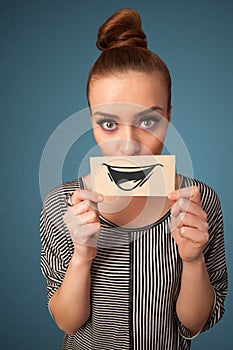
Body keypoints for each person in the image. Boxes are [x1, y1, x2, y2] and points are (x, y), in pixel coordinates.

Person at [40, 8, 228, 350]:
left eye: (147, 122)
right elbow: (66, 322)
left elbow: (196, 321)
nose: (127, 144)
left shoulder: (200, 202)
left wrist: (193, 258)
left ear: (169, 115)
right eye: (108, 123)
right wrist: (82, 254)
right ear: (92, 120)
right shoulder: (61, 204)